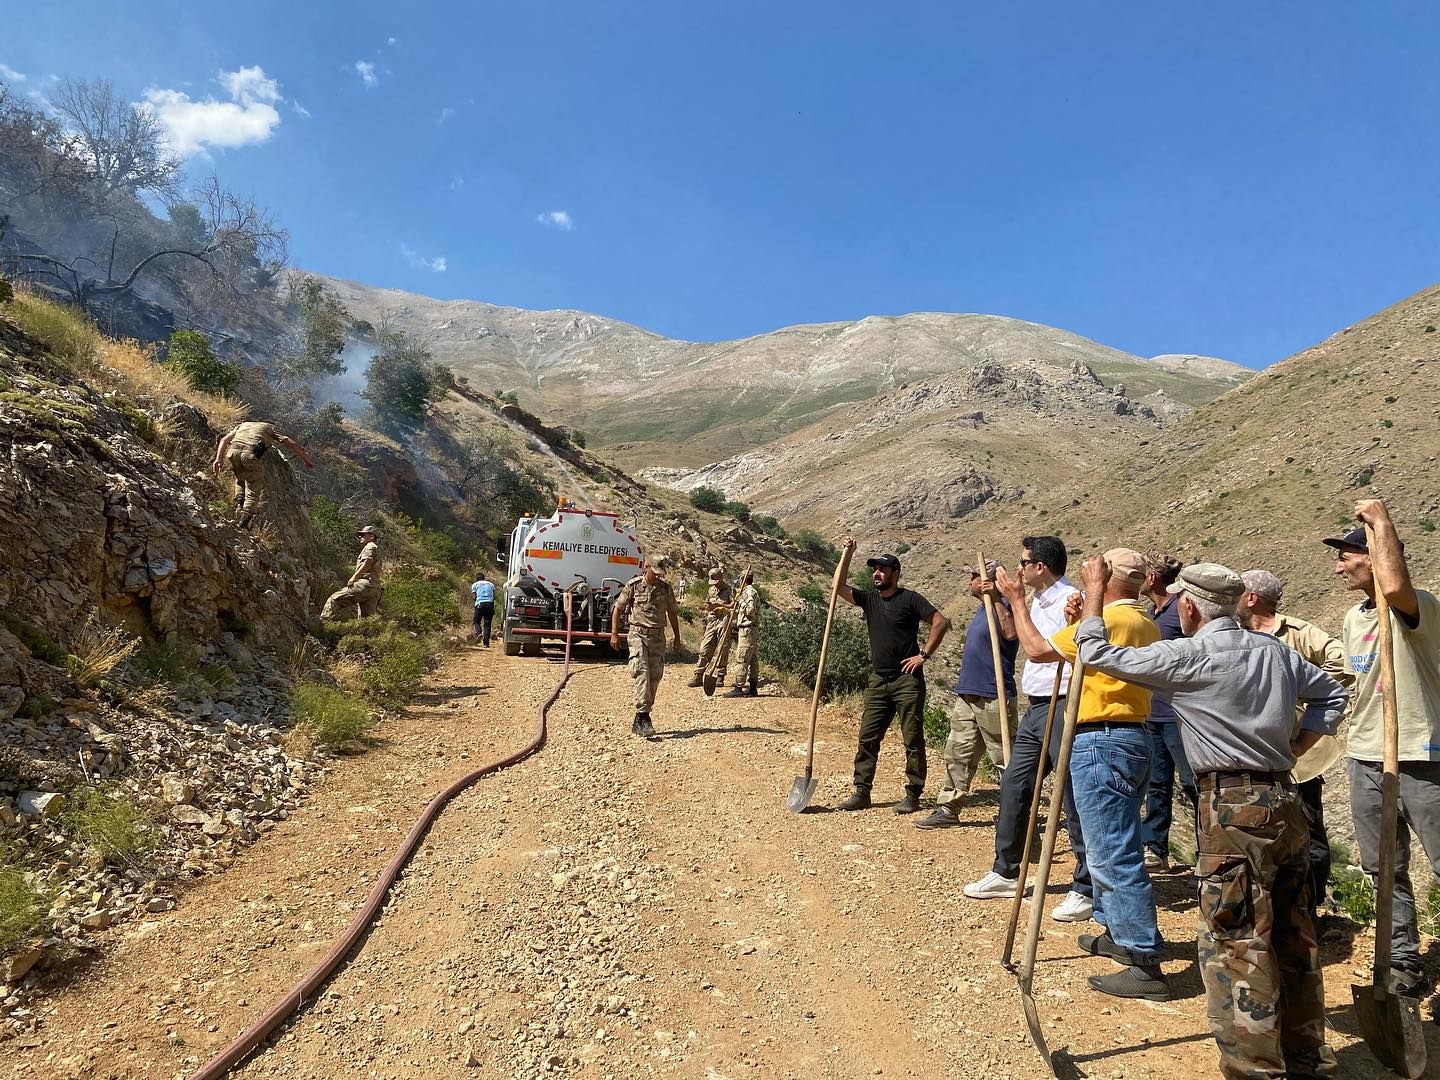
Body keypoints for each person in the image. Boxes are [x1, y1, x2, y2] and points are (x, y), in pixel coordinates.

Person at [1074, 559, 1346, 1077]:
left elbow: (1094, 653)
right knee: (1295, 934)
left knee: (1237, 940)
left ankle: (1257, 1069)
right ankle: (1308, 1059)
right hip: (1285, 801)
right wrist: (1298, 743)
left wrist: (1092, 593)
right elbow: (1333, 692)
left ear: (1191, 606)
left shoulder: (1189, 655)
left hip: (1231, 808)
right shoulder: (1275, 653)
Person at [1004, 547, 1165, 999]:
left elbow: (1036, 651)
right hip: (1131, 736)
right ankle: (1118, 931)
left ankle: (1144, 958)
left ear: (1107, 576)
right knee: (1107, 845)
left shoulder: (1112, 619)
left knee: (1113, 852)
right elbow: (1087, 659)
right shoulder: (1142, 620)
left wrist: (1016, 600)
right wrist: (1084, 611)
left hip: (1103, 739)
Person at [1327, 498, 1440, 999]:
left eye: (1348, 555)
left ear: (1374, 555)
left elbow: (1394, 586)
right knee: (1383, 867)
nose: (1338, 566)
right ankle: (1400, 963)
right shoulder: (1354, 619)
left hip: (1421, 754)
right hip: (1368, 754)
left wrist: (1382, 522)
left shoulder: (1420, 605)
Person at [964, 535, 1093, 924]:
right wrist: (1005, 600)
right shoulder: (1039, 601)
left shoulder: (1071, 600)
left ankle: (1085, 886)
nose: (1018, 568)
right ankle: (1006, 870)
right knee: (1014, 785)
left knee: (1070, 796)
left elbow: (1041, 650)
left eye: (1024, 562)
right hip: (1037, 708)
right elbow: (1015, 636)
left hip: (1063, 702)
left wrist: (1014, 598)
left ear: (1041, 567)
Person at [1237, 568, 1352, 918]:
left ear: (1252, 598)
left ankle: (1309, 909)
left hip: (1300, 757)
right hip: (1252, 756)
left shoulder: (1298, 633)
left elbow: (1343, 661)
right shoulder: (1235, 635)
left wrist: (1299, 690)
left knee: (1308, 833)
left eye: (1239, 593)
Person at [833, 541, 950, 813]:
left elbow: (940, 621)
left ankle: (913, 794)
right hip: (878, 680)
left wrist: (924, 655)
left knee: (912, 738)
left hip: (906, 680)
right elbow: (838, 587)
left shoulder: (910, 599)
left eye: (883, 569)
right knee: (868, 737)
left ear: (896, 573)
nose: (876, 573)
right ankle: (862, 792)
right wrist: (847, 554)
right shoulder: (870, 600)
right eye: (874, 569)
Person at [916, 560, 1018, 830]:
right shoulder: (980, 610)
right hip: (968, 694)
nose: (971, 581)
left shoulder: (1006, 606)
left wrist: (996, 597)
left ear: (992, 580)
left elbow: (1011, 632)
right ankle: (948, 808)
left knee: (1004, 758)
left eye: (975, 576)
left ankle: (1015, 814)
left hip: (994, 695)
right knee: (957, 752)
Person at [1138, 552, 1193, 873]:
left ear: (1154, 578)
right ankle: (1155, 848)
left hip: (1179, 716)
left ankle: (1211, 851)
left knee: (1192, 783)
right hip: (1152, 714)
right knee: (1157, 784)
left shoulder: (1178, 612)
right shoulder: (1153, 613)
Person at [610, 556, 682, 738]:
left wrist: (677, 637)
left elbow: (672, 613)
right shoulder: (633, 585)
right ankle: (643, 716)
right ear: (647, 567)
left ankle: (641, 717)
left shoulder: (665, 589)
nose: (657, 577)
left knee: (655, 677)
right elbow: (618, 608)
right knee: (641, 672)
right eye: (655, 573)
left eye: (660, 574)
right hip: (638, 635)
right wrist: (614, 633)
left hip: (658, 637)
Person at [211, 420, 314, 529]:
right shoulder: (271, 428)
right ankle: (244, 521)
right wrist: (306, 459)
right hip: (249, 454)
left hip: (232, 452)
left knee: (240, 478)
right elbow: (288, 441)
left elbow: (224, 439)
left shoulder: (244, 425)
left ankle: (239, 502)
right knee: (254, 487)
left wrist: (218, 459)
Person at [320, 525, 383, 620]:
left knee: (334, 600)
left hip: (365, 584)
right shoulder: (376, 548)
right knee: (366, 619)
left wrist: (354, 578)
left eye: (363, 535)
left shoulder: (370, 546)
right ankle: (365, 634)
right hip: (375, 588)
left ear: (372, 537)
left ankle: (323, 625)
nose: (360, 537)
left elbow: (368, 562)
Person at [687, 567, 733, 688]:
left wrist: (721, 605)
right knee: (704, 648)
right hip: (712, 621)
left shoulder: (729, 590)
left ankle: (720, 676)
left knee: (722, 648)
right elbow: (707, 604)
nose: (715, 585)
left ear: (721, 578)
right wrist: (709, 607)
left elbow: (733, 606)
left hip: (724, 620)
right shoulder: (711, 590)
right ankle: (698, 675)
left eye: (716, 581)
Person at [724, 571, 762, 697]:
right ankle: (753, 687)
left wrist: (741, 601)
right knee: (752, 659)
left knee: (742, 657)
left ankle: (738, 686)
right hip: (752, 629)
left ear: (742, 579)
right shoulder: (751, 592)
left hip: (748, 628)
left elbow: (750, 610)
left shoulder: (748, 592)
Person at [470, 572, 496, 647]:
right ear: (483, 578)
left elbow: (474, 597)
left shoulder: (475, 584)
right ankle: (486, 643)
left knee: (476, 621)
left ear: (477, 578)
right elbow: (493, 596)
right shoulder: (491, 584)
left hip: (480, 604)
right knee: (487, 624)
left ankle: (479, 633)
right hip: (490, 604)